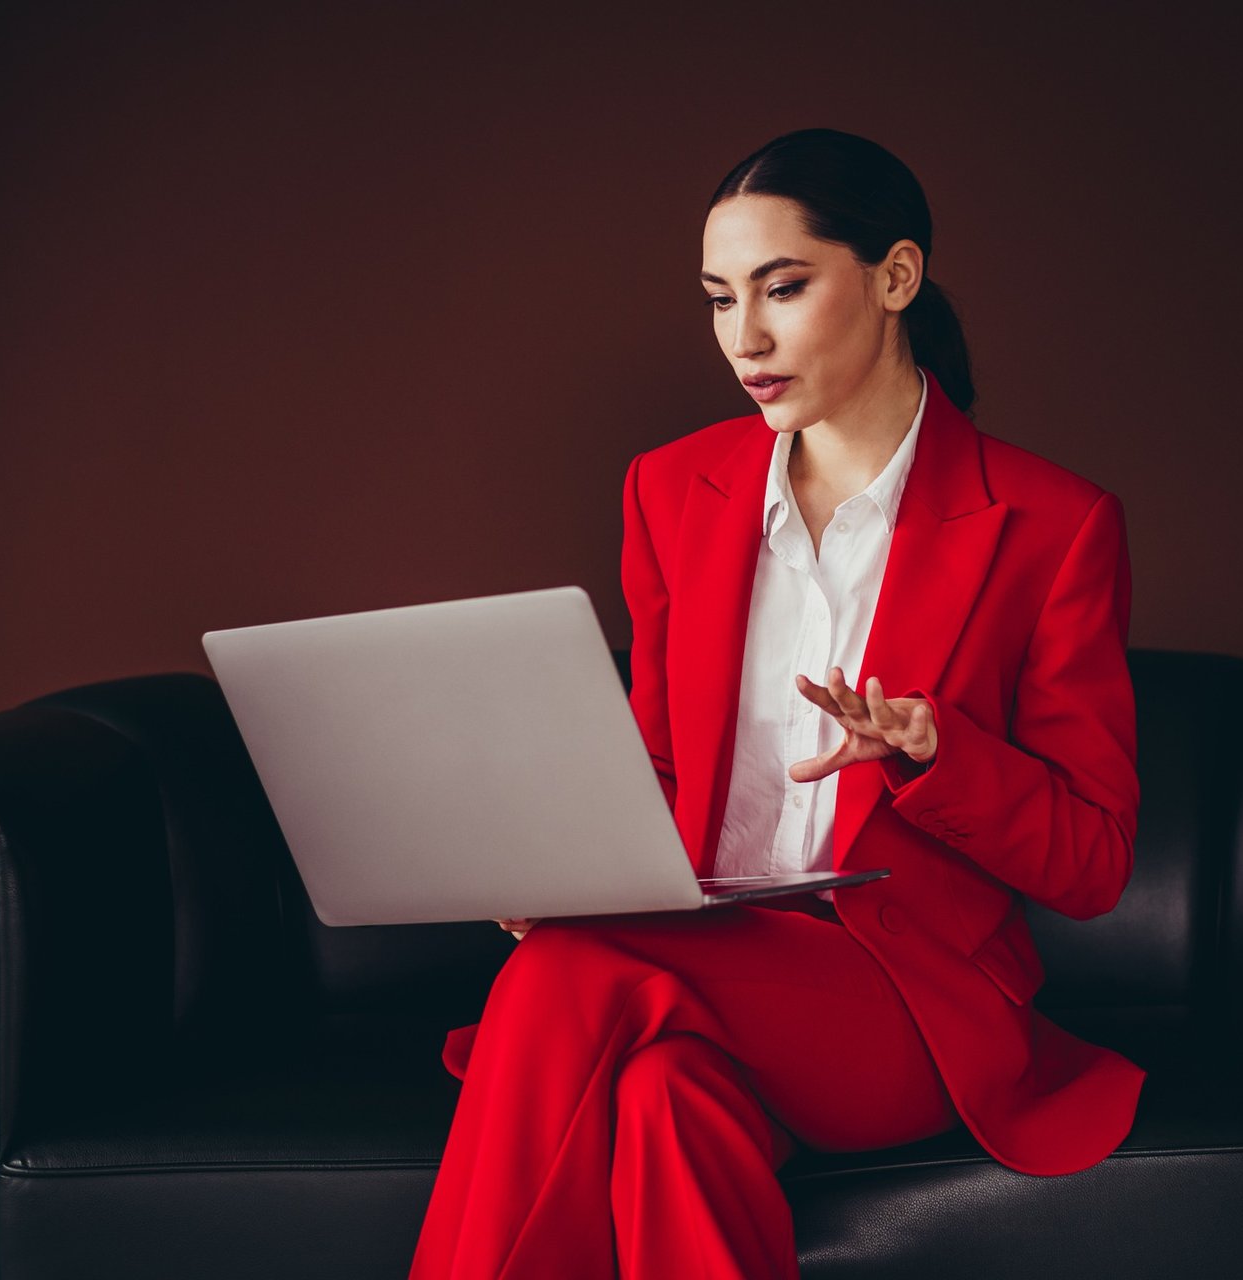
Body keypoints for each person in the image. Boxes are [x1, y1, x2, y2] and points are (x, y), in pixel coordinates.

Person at [407, 127, 1145, 1280]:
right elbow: (658, 765)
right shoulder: (671, 487)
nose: (743, 337)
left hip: (903, 999)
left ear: (896, 276)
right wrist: (563, 861)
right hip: (699, 963)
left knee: (562, 969)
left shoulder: (1053, 524)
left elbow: (1095, 859)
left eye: (783, 288)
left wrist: (934, 750)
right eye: (718, 299)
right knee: (665, 1105)